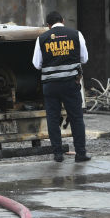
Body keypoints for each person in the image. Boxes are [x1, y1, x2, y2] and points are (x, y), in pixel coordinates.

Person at [32, 11, 90, 163]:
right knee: (76, 118)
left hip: (51, 86)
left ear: (48, 25)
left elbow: (36, 64)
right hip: (71, 84)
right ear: (63, 21)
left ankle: (58, 154)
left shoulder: (42, 38)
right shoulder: (76, 34)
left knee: (53, 119)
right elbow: (84, 58)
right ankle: (80, 154)